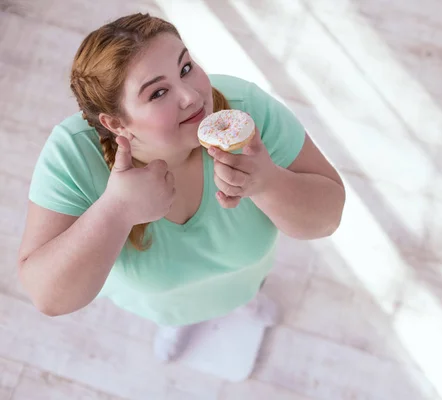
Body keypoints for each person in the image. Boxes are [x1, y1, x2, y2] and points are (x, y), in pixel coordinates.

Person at [16, 13, 345, 363]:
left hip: (245, 277)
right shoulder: (73, 154)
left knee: (246, 290)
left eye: (186, 68)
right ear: (116, 123)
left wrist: (269, 182)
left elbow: (327, 219)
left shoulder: (245, 112)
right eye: (158, 92)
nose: (192, 97)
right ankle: (176, 323)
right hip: (163, 302)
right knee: (173, 308)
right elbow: (49, 298)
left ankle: (246, 302)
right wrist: (116, 209)